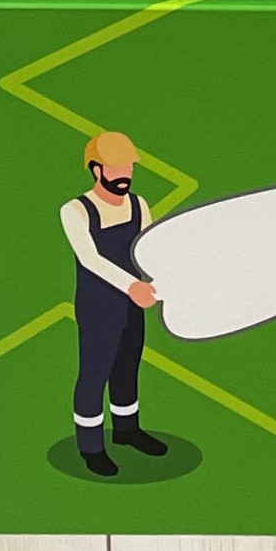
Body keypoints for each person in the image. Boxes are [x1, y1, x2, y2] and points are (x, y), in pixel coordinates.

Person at [64, 131, 169, 477]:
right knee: (94, 374)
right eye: (116, 167)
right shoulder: (75, 211)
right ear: (96, 169)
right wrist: (132, 286)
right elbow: (89, 258)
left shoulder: (139, 205)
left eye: (128, 167)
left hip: (132, 304)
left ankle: (127, 430)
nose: (125, 174)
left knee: (127, 366)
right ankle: (91, 447)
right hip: (98, 306)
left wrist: (162, 282)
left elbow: (149, 250)